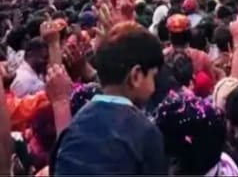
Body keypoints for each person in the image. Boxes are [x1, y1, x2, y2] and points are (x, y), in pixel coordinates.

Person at [51, 23, 168, 175]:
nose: (154, 86)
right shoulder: (145, 133)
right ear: (136, 76)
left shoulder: (74, 125)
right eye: (153, 76)